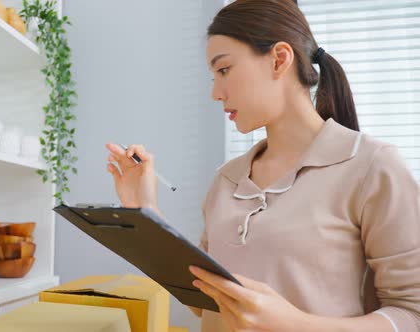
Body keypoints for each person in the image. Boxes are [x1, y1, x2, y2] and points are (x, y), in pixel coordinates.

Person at [105, 0, 420, 331]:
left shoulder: (372, 167)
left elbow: (411, 314)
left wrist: (297, 324)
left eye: (224, 70)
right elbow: (205, 300)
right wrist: (146, 212)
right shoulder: (227, 180)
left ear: (279, 59)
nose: (215, 92)